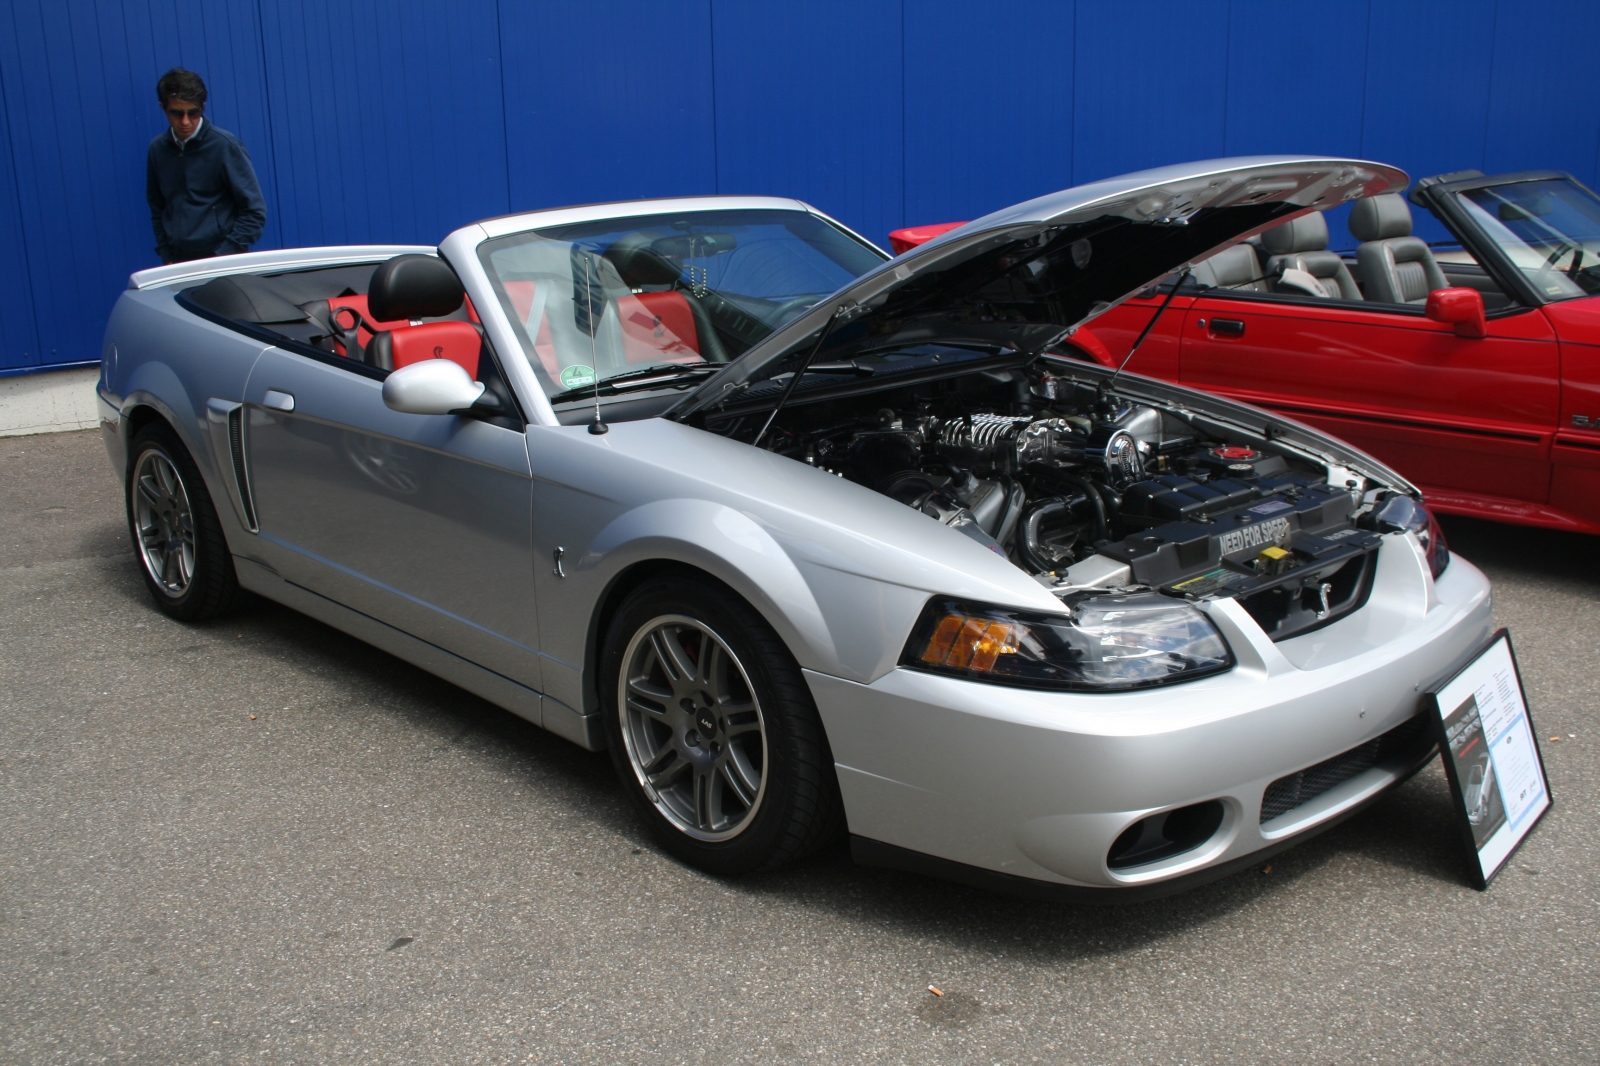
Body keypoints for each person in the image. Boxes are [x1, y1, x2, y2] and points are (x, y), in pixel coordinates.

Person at [146, 68, 267, 264]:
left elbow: (254, 211)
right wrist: (167, 254)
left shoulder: (225, 146)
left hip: (222, 263)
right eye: (177, 113)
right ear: (163, 108)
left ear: (203, 107)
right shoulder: (157, 149)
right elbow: (158, 208)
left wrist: (222, 256)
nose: (185, 121)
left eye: (193, 113)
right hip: (177, 263)